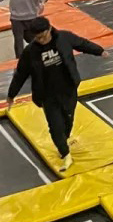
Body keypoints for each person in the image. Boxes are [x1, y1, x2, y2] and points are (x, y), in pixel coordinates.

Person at [6, 17, 107, 173]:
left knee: (68, 120)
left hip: (68, 89)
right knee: (55, 126)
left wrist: (99, 50)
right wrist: (11, 95)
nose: (40, 40)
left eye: (43, 36)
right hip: (47, 94)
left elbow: (82, 43)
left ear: (49, 29)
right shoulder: (30, 52)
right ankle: (65, 153)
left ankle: (64, 139)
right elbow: (20, 74)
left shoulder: (64, 38)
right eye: (37, 38)